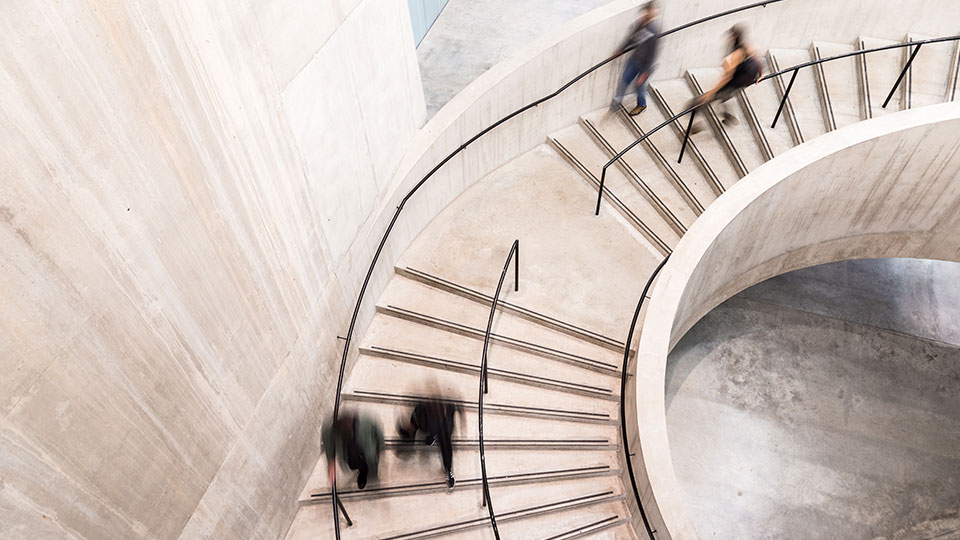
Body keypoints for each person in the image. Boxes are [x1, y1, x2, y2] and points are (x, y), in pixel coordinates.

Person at [690, 24, 763, 131]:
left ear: (734, 37)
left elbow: (727, 77)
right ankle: (727, 116)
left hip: (734, 82)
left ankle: (696, 125)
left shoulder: (735, 54)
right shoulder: (747, 46)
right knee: (722, 98)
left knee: (703, 101)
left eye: (731, 35)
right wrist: (761, 74)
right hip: (742, 82)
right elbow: (757, 59)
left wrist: (710, 93)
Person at [397, 396, 462, 489]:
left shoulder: (445, 424)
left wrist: (448, 469)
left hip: (444, 425)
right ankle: (432, 436)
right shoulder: (417, 413)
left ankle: (449, 471)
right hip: (431, 420)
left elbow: (446, 449)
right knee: (427, 432)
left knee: (444, 443)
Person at [610, 1, 660, 116]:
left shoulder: (654, 30)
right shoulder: (641, 24)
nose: (646, 13)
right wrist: (621, 50)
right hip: (634, 59)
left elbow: (653, 52)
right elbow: (631, 39)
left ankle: (642, 104)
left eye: (649, 11)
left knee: (639, 86)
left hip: (645, 64)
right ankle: (617, 102)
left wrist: (645, 72)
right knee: (624, 80)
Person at [322, 410, 384, 490]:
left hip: (369, 447)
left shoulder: (365, 420)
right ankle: (363, 470)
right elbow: (329, 445)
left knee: (372, 460)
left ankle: (373, 473)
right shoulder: (330, 432)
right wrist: (331, 464)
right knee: (352, 463)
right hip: (350, 448)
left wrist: (381, 444)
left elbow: (376, 428)